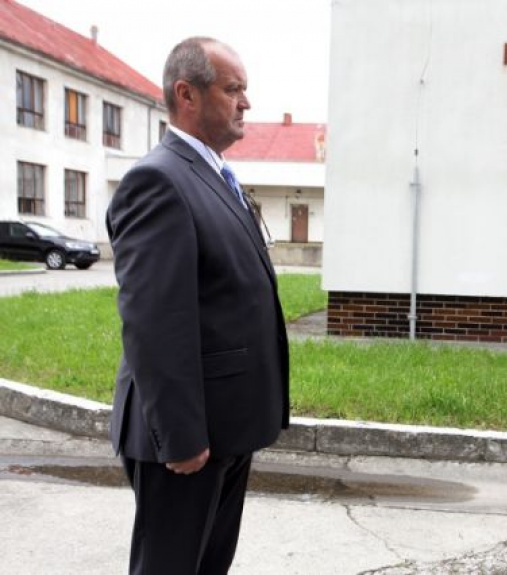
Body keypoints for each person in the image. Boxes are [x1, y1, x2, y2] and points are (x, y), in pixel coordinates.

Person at [106, 37, 289, 574]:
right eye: (233, 89)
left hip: (226, 426)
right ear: (187, 94)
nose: (245, 103)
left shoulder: (211, 174)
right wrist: (182, 437)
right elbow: (156, 322)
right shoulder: (158, 180)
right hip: (189, 439)